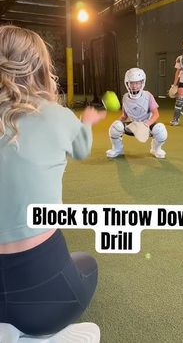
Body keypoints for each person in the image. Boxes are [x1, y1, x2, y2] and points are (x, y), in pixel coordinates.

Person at [0, 25, 105, 340]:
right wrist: (86, 122)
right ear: (40, 68)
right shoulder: (57, 115)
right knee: (86, 264)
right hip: (46, 298)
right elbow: (82, 148)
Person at [106, 67, 167, 159]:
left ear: (142, 82)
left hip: (146, 126)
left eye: (137, 83)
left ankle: (156, 149)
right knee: (115, 127)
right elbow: (124, 115)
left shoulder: (148, 96)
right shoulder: (125, 97)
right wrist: (116, 124)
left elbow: (156, 114)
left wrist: (147, 124)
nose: (134, 86)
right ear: (127, 83)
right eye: (131, 83)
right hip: (132, 126)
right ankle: (117, 149)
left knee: (160, 129)